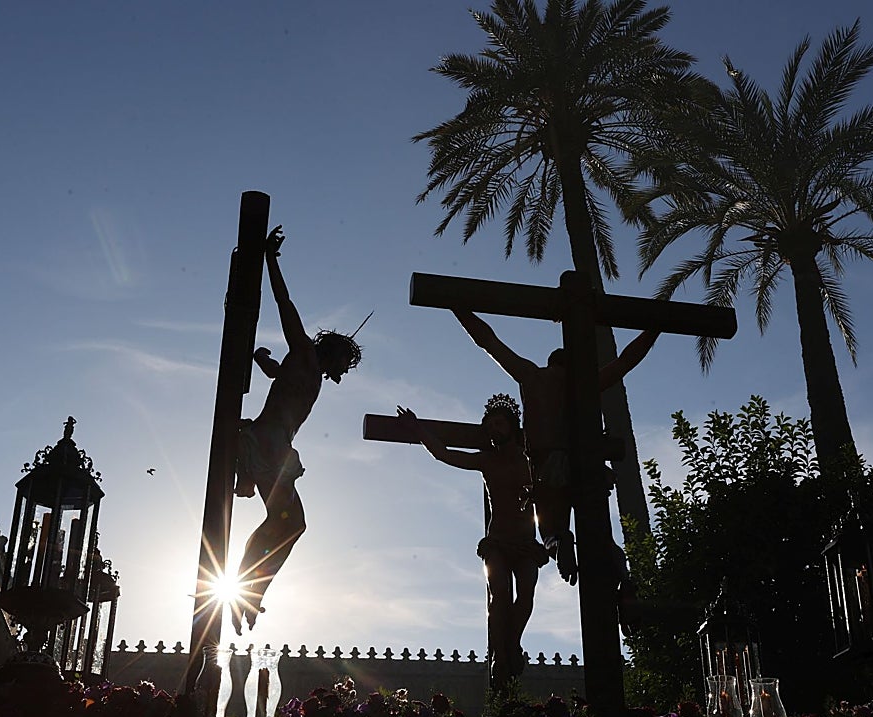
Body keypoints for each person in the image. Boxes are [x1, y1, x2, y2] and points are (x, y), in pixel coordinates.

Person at [452, 309, 658, 630]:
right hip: (585, 468)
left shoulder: (532, 377)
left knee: (550, 529)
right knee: (601, 538)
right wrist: (654, 328)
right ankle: (624, 577)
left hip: (548, 468)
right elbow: (627, 360)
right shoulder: (586, 383)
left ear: (550, 363)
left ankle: (560, 543)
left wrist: (458, 309)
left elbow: (488, 342)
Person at [231, 225, 362, 634]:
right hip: (269, 443)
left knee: (289, 523)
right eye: (344, 363)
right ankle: (245, 586)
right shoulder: (305, 352)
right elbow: (284, 303)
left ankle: (251, 587)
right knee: (290, 523)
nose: (342, 373)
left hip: (277, 445)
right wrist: (271, 258)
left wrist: (263, 360)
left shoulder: (305, 369)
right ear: (333, 352)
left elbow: (279, 376)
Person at [396, 394, 546, 689]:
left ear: (513, 427)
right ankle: (499, 657)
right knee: (499, 593)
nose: (494, 430)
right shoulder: (486, 460)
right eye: (490, 425)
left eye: (499, 424)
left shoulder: (531, 460)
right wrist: (418, 429)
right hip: (497, 541)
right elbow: (444, 453)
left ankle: (511, 643)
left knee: (526, 594)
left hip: (526, 542)